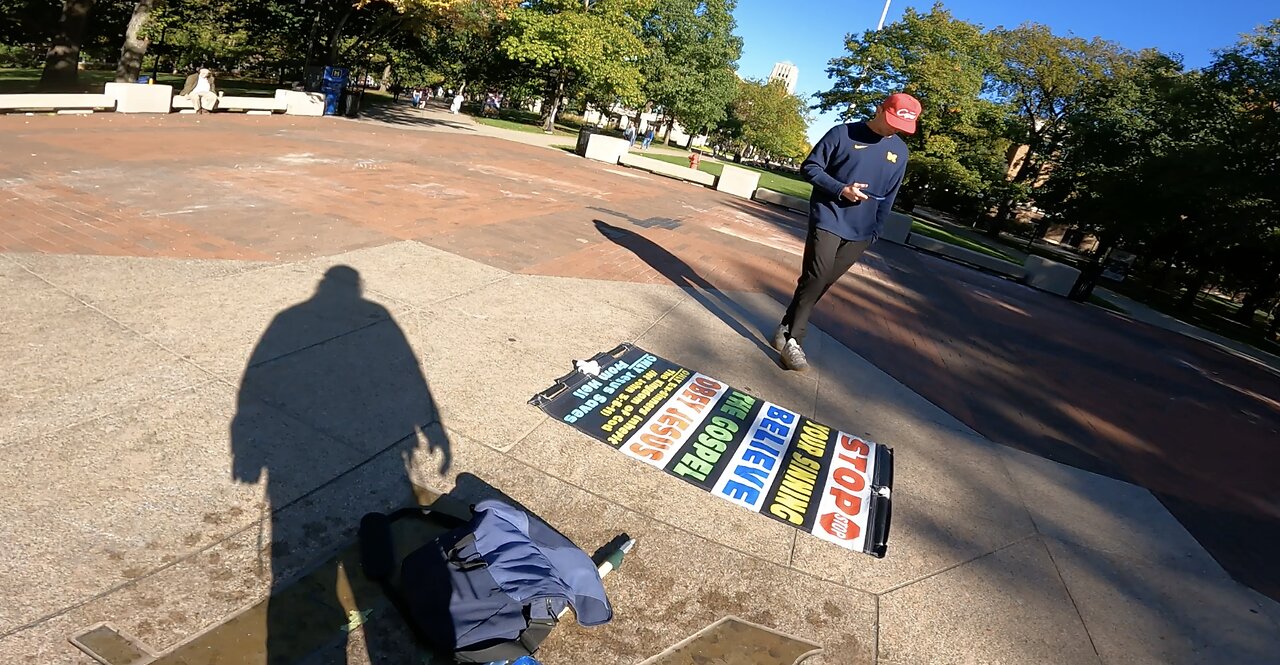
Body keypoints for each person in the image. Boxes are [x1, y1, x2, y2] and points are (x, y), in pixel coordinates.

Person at [774, 92, 921, 371]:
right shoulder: (842, 133)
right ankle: (795, 341)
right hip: (828, 217)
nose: (894, 130)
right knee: (815, 276)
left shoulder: (900, 152)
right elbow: (810, 168)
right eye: (892, 121)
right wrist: (841, 189)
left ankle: (785, 324)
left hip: (862, 231)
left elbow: (889, 196)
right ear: (879, 109)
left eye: (901, 128)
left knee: (821, 282)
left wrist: (875, 230)